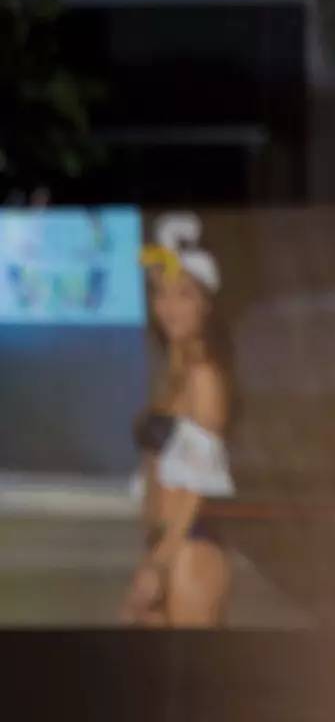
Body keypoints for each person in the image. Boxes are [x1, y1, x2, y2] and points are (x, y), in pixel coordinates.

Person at [120, 213, 236, 628]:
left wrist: (162, 563)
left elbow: (198, 485)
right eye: (161, 293)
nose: (168, 307)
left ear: (205, 303)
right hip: (165, 546)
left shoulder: (205, 376)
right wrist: (152, 554)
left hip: (189, 549)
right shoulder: (172, 374)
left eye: (183, 294)